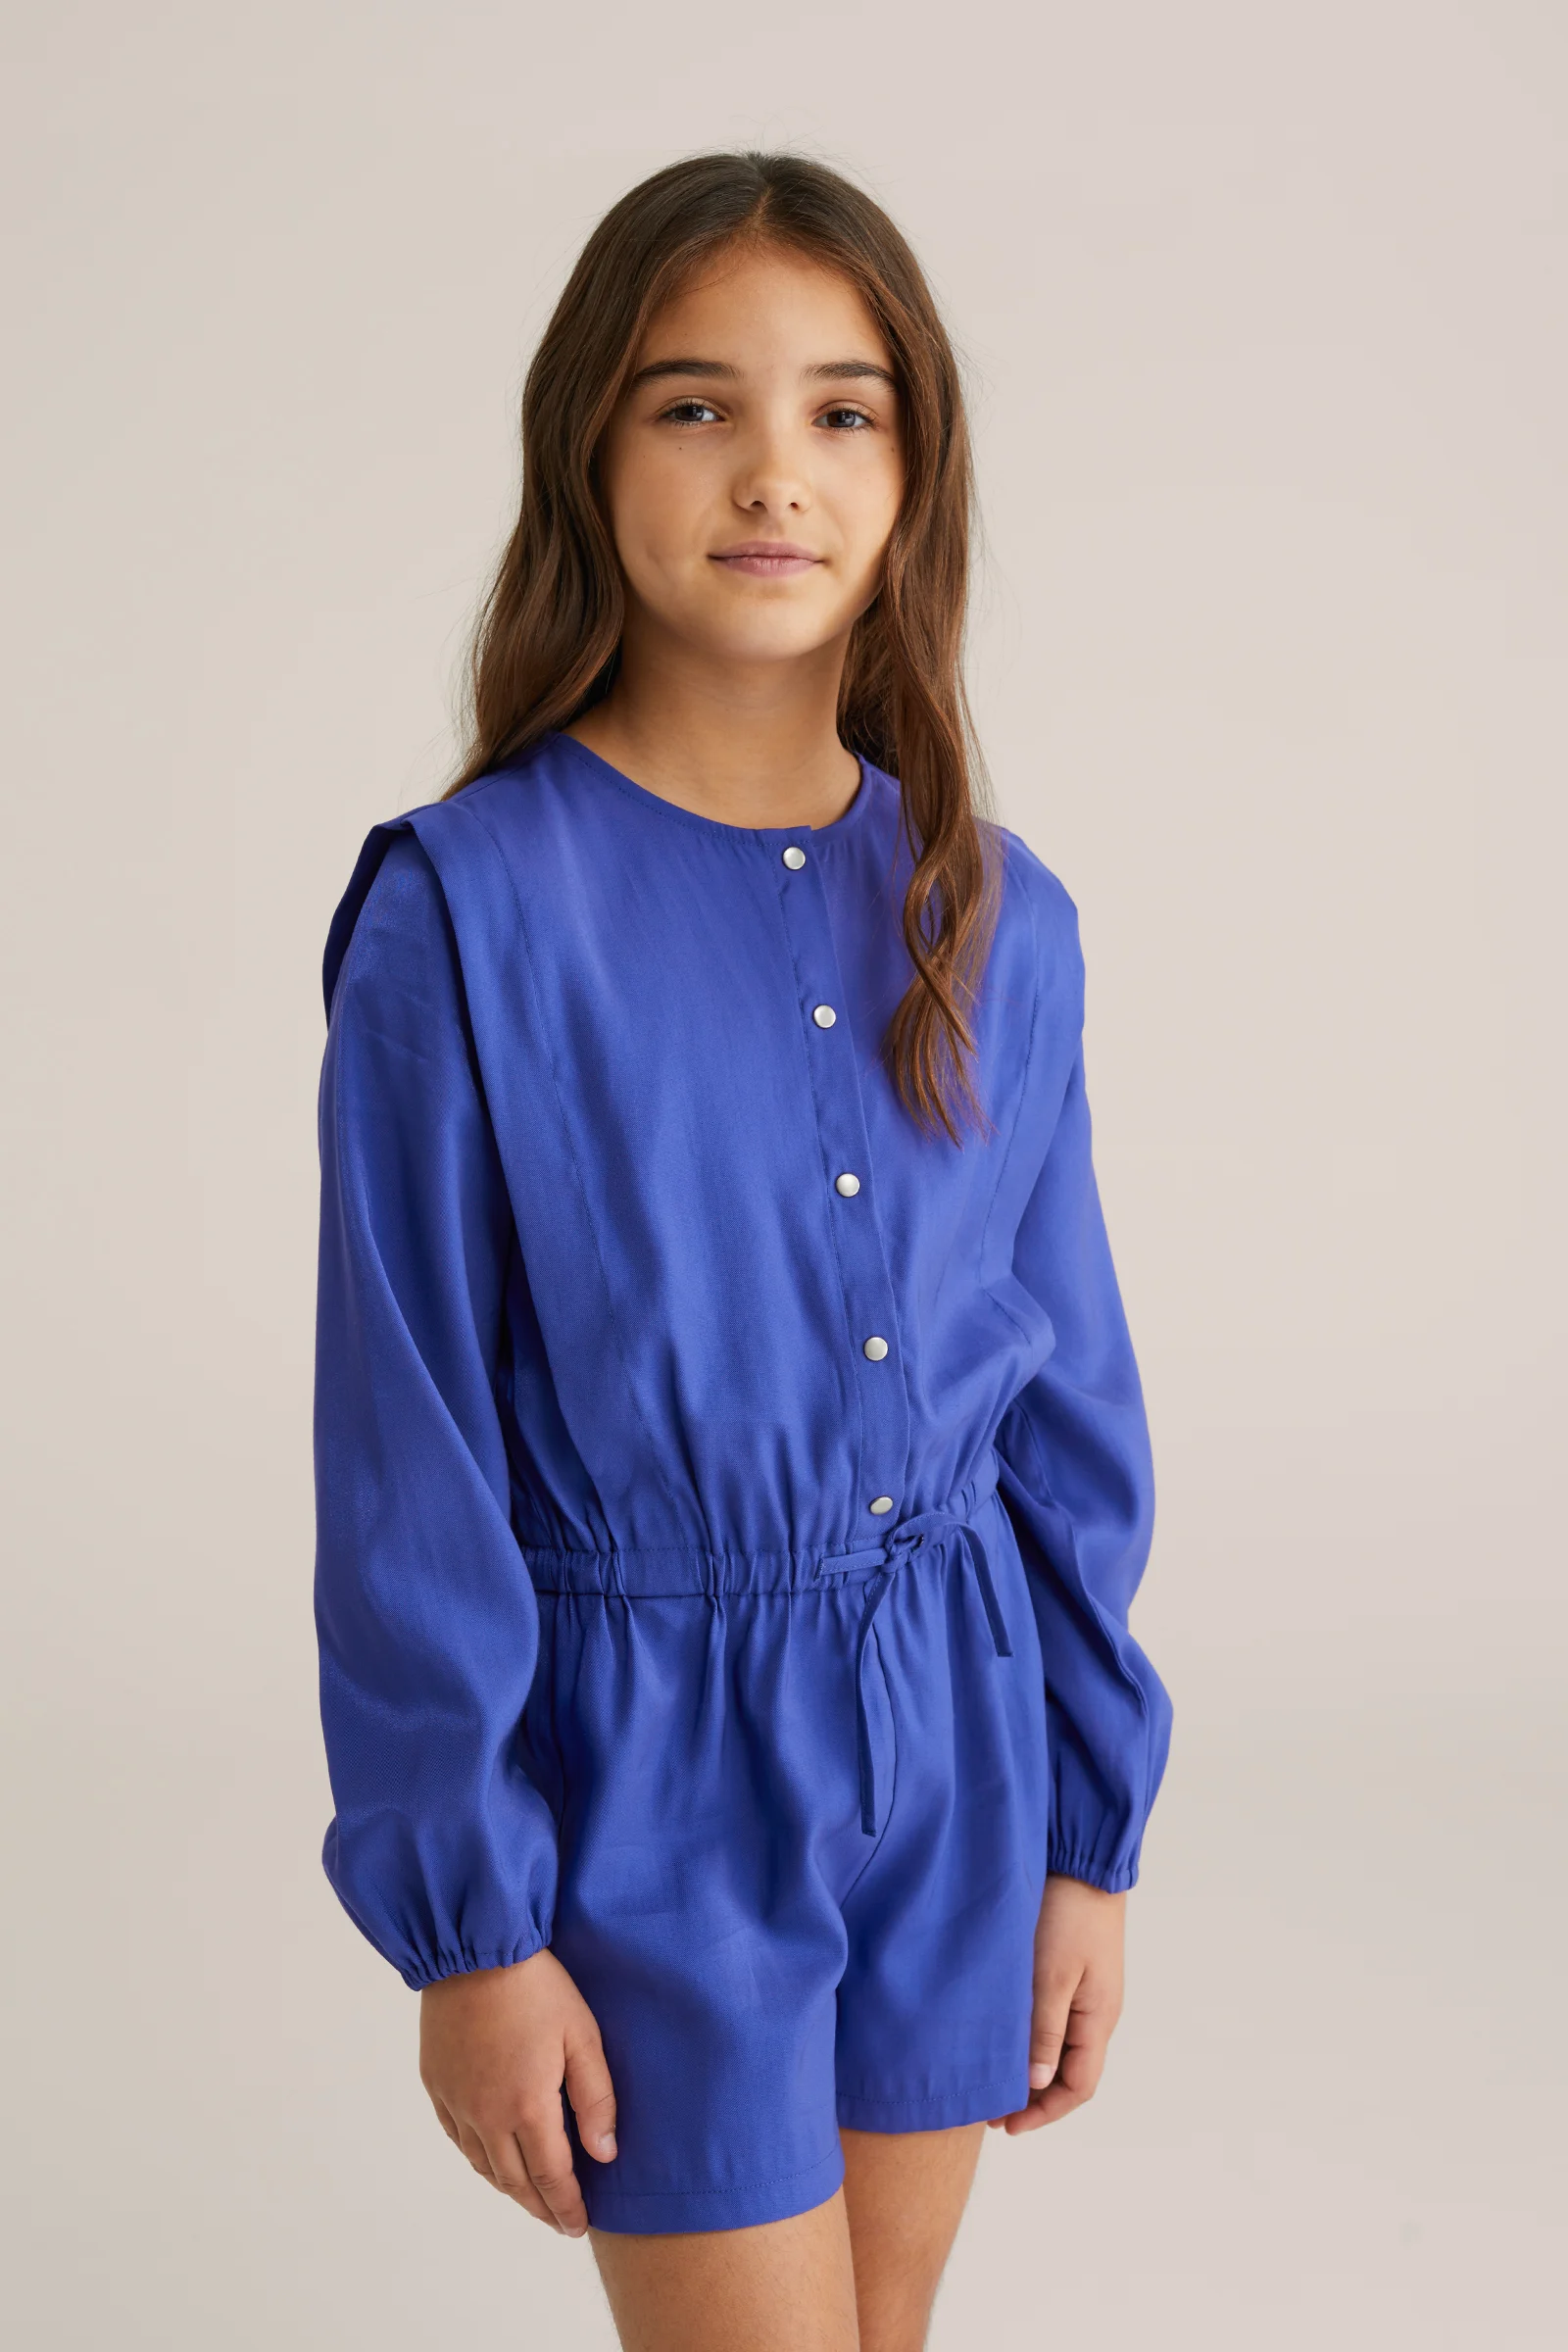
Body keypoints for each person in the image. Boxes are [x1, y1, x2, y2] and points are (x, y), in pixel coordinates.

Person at [313, 150, 1173, 2352]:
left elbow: (1062, 1398)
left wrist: (1086, 1829)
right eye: (695, 405)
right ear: (586, 452)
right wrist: (474, 1927)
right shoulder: (466, 913)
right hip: (651, 1769)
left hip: (961, 1739)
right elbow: (406, 1449)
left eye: (841, 412)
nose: (774, 471)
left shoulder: (998, 917)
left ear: (912, 472)